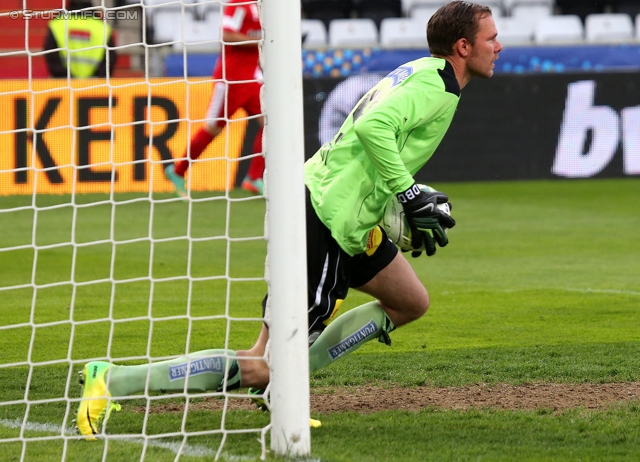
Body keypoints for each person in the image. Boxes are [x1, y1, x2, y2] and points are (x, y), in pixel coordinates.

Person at [74, 0, 501, 439]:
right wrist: (408, 193)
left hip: (346, 212)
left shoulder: (426, 74)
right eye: (491, 38)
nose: (499, 46)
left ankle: (282, 385)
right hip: (328, 215)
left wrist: (397, 196)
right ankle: (114, 380)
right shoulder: (436, 88)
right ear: (464, 46)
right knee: (261, 363)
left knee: (409, 300)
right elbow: (372, 127)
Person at [164, 0, 265, 198]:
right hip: (230, 80)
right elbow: (226, 35)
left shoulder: (265, 8)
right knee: (213, 129)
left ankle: (253, 178)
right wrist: (259, 42)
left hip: (253, 79)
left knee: (271, 124)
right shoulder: (239, 4)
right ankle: (178, 171)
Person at [43, 0, 117, 78]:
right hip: (94, 87)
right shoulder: (102, 28)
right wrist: (96, 78)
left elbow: (51, 54)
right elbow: (110, 58)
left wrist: (65, 77)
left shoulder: (57, 24)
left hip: (63, 86)